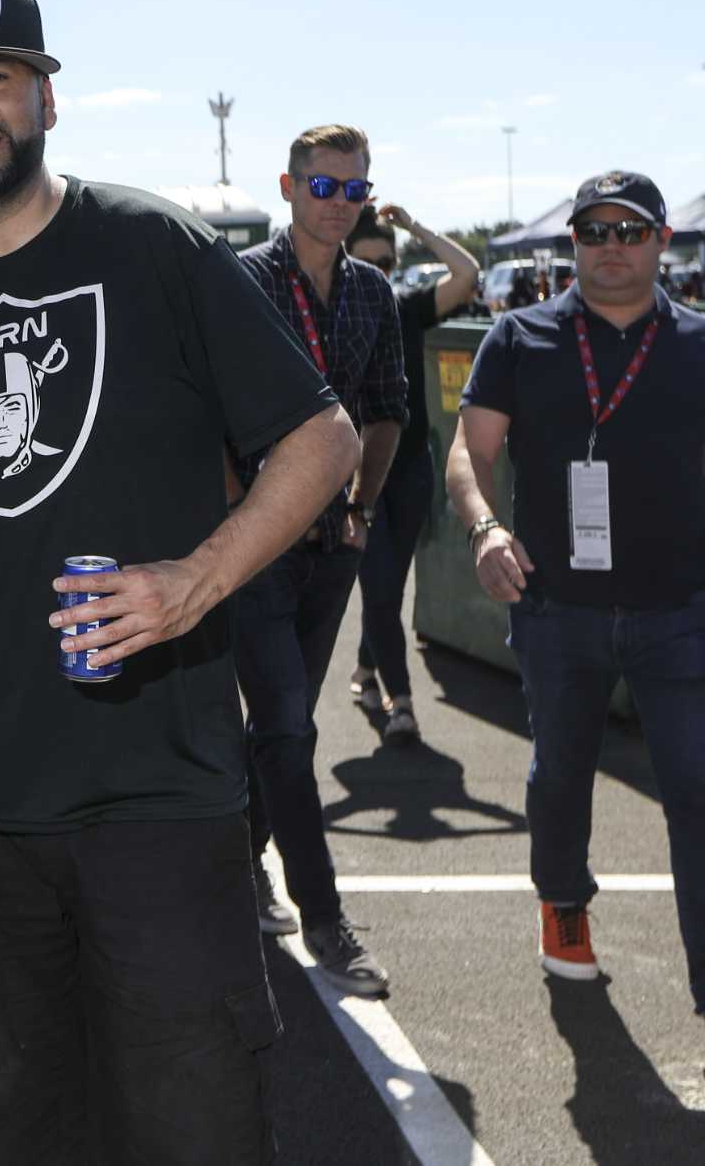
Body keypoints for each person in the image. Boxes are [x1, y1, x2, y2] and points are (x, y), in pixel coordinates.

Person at [0, 0, 360, 1164]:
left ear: (45, 100)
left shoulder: (147, 245)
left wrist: (197, 580)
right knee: (5, 1137)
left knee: (195, 1131)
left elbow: (317, 437)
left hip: (158, 799)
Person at [446, 171, 705, 1006]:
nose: (612, 248)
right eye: (595, 232)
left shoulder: (699, 341)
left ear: (664, 241)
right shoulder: (519, 336)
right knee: (559, 773)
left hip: (682, 611)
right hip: (558, 608)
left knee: (697, 789)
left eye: (630, 231)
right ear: (575, 244)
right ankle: (563, 904)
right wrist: (485, 527)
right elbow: (468, 452)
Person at [229, 126, 405, 995]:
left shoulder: (374, 292)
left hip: (332, 543)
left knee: (279, 731)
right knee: (290, 727)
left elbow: (386, 411)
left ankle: (241, 863)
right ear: (291, 188)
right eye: (325, 187)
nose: (340, 204)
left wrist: (363, 511)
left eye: (355, 191)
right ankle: (326, 920)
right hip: (257, 544)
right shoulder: (247, 282)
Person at [344, 205, 480, 743]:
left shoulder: (406, 308)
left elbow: (466, 275)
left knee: (388, 589)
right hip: (355, 478)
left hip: (411, 472)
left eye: (387, 260)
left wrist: (416, 228)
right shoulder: (332, 314)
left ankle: (365, 668)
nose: (379, 270)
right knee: (379, 589)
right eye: (367, 260)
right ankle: (401, 701)